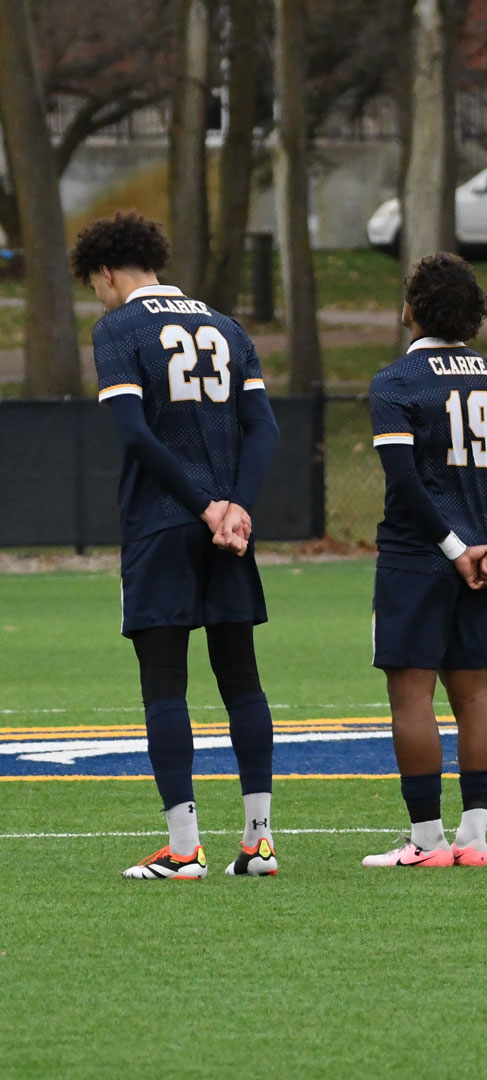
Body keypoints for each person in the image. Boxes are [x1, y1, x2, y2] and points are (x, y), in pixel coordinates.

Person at [77, 212, 281, 880]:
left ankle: (184, 849)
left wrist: (200, 506)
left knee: (165, 682)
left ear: (107, 272)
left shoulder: (118, 328)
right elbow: (264, 430)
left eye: (95, 285)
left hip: (163, 523)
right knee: (241, 679)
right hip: (230, 530)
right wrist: (235, 507)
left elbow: (136, 435)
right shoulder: (225, 324)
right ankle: (259, 844)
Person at [363, 254, 487, 867]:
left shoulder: (397, 381)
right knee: (474, 695)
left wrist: (456, 549)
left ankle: (427, 841)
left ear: (411, 310)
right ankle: (475, 838)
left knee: (413, 698)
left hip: (419, 556)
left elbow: (405, 483)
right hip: (481, 558)